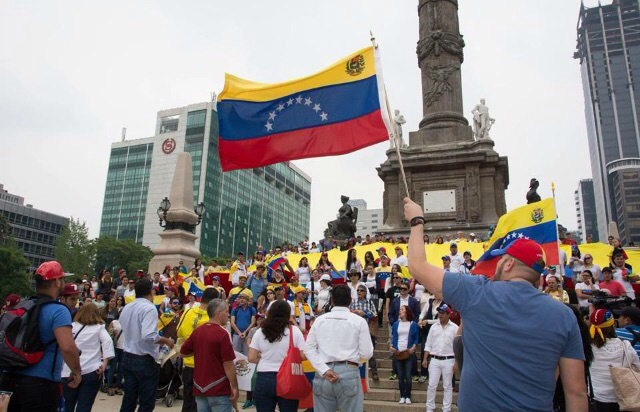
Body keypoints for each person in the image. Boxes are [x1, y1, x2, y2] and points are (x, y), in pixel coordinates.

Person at [402, 197, 587, 411]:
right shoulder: (565, 315)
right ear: (538, 278)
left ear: (508, 263)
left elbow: (416, 266)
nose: (497, 262)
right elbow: (576, 392)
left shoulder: (477, 292)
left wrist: (417, 220)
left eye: (501, 258)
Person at [0, 261, 82, 412]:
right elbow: (68, 347)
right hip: (40, 384)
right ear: (57, 282)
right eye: (62, 279)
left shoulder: (23, 305)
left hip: (8, 380)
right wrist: (76, 371)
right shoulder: (58, 310)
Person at [305, 285, 374, 412]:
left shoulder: (319, 320)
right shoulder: (358, 321)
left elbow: (308, 349)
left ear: (331, 300)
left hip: (323, 371)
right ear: (350, 300)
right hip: (349, 370)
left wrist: (324, 369)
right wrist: (352, 359)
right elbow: (367, 353)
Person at [119, 279, 175, 412]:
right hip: (145, 359)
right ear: (151, 291)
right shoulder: (149, 308)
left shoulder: (128, 307)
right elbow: (149, 335)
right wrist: (167, 341)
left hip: (128, 355)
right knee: (147, 402)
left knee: (129, 400)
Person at [180, 299, 239, 412]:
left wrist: (200, 350)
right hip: (219, 389)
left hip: (199, 388)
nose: (228, 315)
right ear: (219, 312)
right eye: (226, 311)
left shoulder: (197, 331)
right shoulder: (223, 333)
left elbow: (182, 353)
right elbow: (228, 363)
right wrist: (235, 386)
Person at [248, 300, 306, 412]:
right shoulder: (294, 331)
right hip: (288, 377)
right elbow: (303, 356)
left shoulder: (260, 331)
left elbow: (251, 357)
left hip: (264, 377)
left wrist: (264, 356)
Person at [62, 303, 115, 412]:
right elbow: (108, 342)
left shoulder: (71, 326)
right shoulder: (99, 327)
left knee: (68, 405)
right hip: (91, 370)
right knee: (85, 406)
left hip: (69, 371)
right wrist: (104, 364)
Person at [176, 287, 218, 412]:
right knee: (202, 405)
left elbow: (178, 332)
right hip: (206, 367)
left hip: (188, 364)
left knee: (188, 401)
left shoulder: (188, 312)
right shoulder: (213, 319)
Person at [589, 308, 640, 411]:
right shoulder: (625, 345)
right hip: (623, 398)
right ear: (612, 324)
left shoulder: (587, 347)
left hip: (596, 397)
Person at [423, 303, 458, 412]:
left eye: (443, 313)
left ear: (448, 314)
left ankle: (446, 409)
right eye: (439, 312)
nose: (440, 315)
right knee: (431, 385)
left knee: (447, 387)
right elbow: (428, 343)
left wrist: (456, 363)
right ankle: (429, 408)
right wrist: (425, 358)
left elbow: (458, 347)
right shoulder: (434, 327)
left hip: (449, 359)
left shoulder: (455, 328)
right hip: (434, 359)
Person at [349, 284, 379, 381]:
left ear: (365, 293)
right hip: (354, 329)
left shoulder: (369, 302)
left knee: (370, 351)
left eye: (361, 291)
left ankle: (374, 371)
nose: (359, 292)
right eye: (358, 290)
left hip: (366, 329)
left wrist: (364, 313)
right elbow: (348, 312)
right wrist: (356, 312)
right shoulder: (353, 302)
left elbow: (375, 314)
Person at [390, 305, 419, 404]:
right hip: (398, 353)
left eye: (402, 309)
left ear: (407, 312)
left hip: (408, 353)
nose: (400, 311)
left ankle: (408, 396)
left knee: (408, 375)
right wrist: (392, 346)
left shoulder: (413, 324)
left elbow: (416, 338)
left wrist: (413, 348)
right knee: (401, 376)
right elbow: (393, 336)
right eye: (400, 310)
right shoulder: (395, 324)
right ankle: (402, 396)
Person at [107, 318, 125, 396]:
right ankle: (109, 386)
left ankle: (118, 386)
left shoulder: (129, 322)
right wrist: (112, 332)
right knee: (112, 367)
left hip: (124, 348)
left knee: (121, 368)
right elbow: (109, 334)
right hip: (115, 347)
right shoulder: (114, 322)